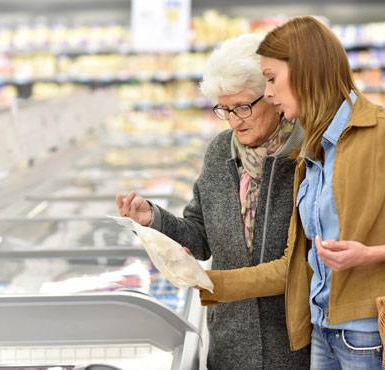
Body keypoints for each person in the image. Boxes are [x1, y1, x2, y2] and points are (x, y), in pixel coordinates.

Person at [198, 16, 385, 370]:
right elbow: (294, 265)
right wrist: (206, 282)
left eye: (271, 79)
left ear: (306, 71)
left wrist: (375, 254)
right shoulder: (314, 149)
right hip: (320, 332)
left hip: (369, 335)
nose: (267, 93)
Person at [115, 33, 310, 370]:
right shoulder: (220, 151)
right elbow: (200, 238)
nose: (235, 120)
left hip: (293, 344)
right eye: (225, 109)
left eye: (244, 106)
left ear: (272, 95)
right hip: (230, 341)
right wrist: (153, 221)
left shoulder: (306, 155)